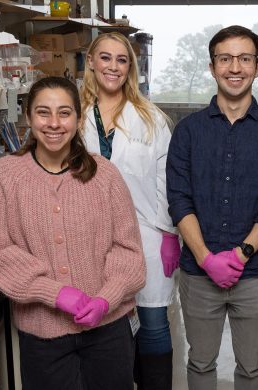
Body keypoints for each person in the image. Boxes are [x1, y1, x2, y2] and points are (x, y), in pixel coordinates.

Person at [0, 76, 146, 390]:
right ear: (28, 118)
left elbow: (128, 250)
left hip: (108, 332)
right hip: (42, 335)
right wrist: (53, 292)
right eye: (43, 112)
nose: (54, 123)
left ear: (78, 119)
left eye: (64, 113)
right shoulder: (3, 176)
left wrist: (106, 299)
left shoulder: (104, 174)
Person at [166, 25, 258, 390]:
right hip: (197, 272)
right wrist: (207, 258)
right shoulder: (187, 131)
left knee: (252, 368)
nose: (234, 67)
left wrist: (240, 255)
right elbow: (179, 199)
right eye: (225, 59)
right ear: (212, 67)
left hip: (254, 275)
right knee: (201, 362)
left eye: (244, 58)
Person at [79, 32, 180, 389]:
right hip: (86, 237)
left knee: (153, 323)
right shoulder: (72, 116)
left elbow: (166, 180)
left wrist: (169, 233)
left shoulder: (150, 117)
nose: (113, 66)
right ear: (90, 61)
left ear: (130, 68)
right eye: (105, 58)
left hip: (145, 234)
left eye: (122, 60)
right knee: (104, 324)